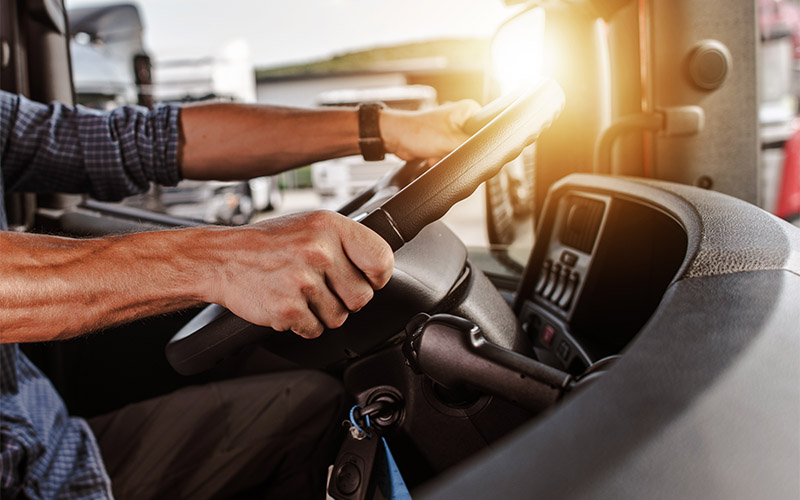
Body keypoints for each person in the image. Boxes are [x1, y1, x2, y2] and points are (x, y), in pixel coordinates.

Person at [0, 90, 477, 499]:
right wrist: (221, 259)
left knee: (309, 409)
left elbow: (137, 140)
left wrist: (390, 129)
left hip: (52, 446)